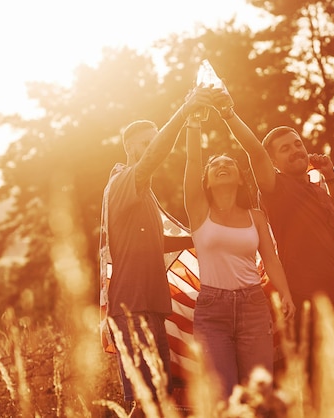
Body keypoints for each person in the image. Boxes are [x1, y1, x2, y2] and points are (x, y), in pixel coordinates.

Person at [209, 88, 334, 385]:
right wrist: (228, 114)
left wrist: (330, 176)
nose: (295, 151)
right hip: (306, 300)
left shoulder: (316, 190)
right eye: (285, 149)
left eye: (297, 144)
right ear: (274, 162)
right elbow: (254, 150)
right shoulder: (277, 188)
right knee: (315, 376)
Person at [98, 89, 210, 415]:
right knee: (147, 400)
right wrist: (185, 108)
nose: (152, 148)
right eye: (146, 143)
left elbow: (158, 242)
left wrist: (198, 239)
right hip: (131, 306)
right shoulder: (122, 182)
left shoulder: (144, 195)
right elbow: (153, 159)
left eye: (154, 140)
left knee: (159, 398)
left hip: (153, 306)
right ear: (131, 148)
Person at [182, 88, 296, 401]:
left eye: (229, 163)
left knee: (259, 394)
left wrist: (285, 294)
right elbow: (193, 159)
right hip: (212, 311)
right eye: (215, 164)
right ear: (206, 180)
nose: (222, 165)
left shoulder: (256, 216)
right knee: (224, 394)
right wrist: (193, 121)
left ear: (239, 178)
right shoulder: (198, 211)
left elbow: (271, 260)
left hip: (254, 308)